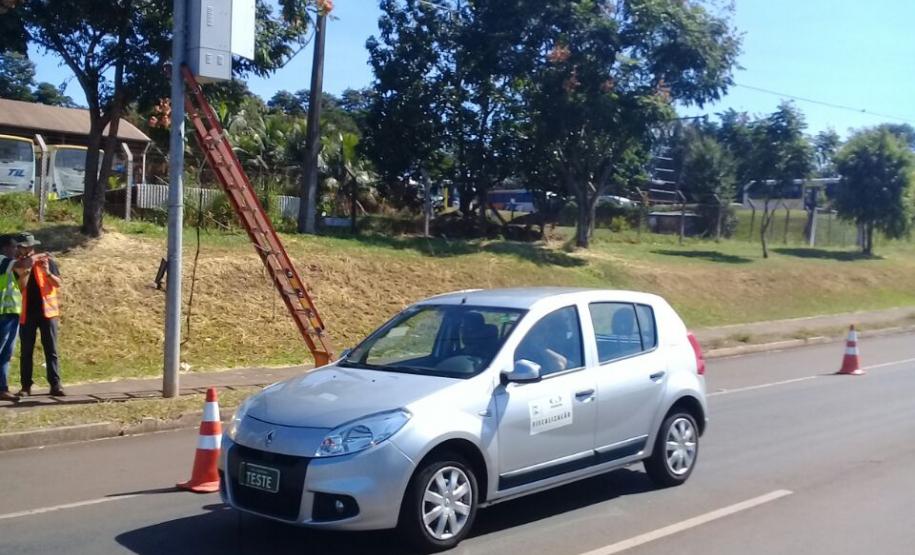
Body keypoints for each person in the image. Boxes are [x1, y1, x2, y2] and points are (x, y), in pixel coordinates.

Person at [14, 232, 64, 397]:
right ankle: (26, 386)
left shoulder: (47, 261)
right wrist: (26, 269)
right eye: (22, 247)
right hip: (27, 313)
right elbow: (20, 287)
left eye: (28, 247)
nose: (25, 250)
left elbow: (58, 283)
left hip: (48, 313)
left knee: (51, 350)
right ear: (19, 249)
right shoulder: (17, 265)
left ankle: (55, 385)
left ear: (32, 247)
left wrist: (48, 272)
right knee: (26, 351)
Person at [0, 234, 24, 401]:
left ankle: (2, 388)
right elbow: (21, 263)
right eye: (14, 247)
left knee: (6, 354)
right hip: (3, 315)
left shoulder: (8, 266)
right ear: (5, 248)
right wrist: (34, 257)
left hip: (12, 314)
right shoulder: (2, 260)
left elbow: (22, 285)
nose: (16, 250)